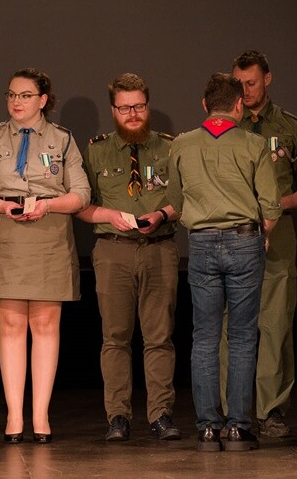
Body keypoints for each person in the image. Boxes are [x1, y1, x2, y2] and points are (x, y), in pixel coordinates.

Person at [0, 68, 89, 444]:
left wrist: (49, 204)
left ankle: (40, 417)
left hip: (49, 237)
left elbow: (81, 194)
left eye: (24, 95)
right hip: (7, 238)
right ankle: (14, 416)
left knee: (45, 327)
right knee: (11, 327)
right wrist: (4, 207)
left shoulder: (63, 140)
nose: (16, 102)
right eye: (11, 95)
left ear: (42, 100)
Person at [167, 72, 281, 452]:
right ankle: (237, 427)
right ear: (239, 104)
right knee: (244, 335)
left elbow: (176, 202)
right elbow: (271, 204)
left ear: (204, 105)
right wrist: (260, 235)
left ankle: (207, 428)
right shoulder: (253, 143)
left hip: (200, 243)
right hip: (245, 240)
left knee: (205, 336)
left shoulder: (181, 144)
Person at [76, 73, 182, 443]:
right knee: (115, 338)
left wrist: (163, 214)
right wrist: (108, 215)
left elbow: (183, 201)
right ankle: (118, 416)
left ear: (147, 106)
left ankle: (161, 415)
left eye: (138, 105)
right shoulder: (96, 150)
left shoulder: (171, 147)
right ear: (113, 110)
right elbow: (82, 207)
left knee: (159, 337)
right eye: (125, 107)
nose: (132, 113)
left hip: (160, 249)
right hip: (113, 251)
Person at [223, 50, 297, 437]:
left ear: (267, 79)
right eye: (238, 84)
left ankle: (272, 412)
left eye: (251, 82)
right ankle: (234, 411)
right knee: (231, 325)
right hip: (231, 235)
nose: (244, 90)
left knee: (276, 325)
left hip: (278, 236)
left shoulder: (290, 126)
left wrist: (280, 204)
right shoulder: (224, 126)